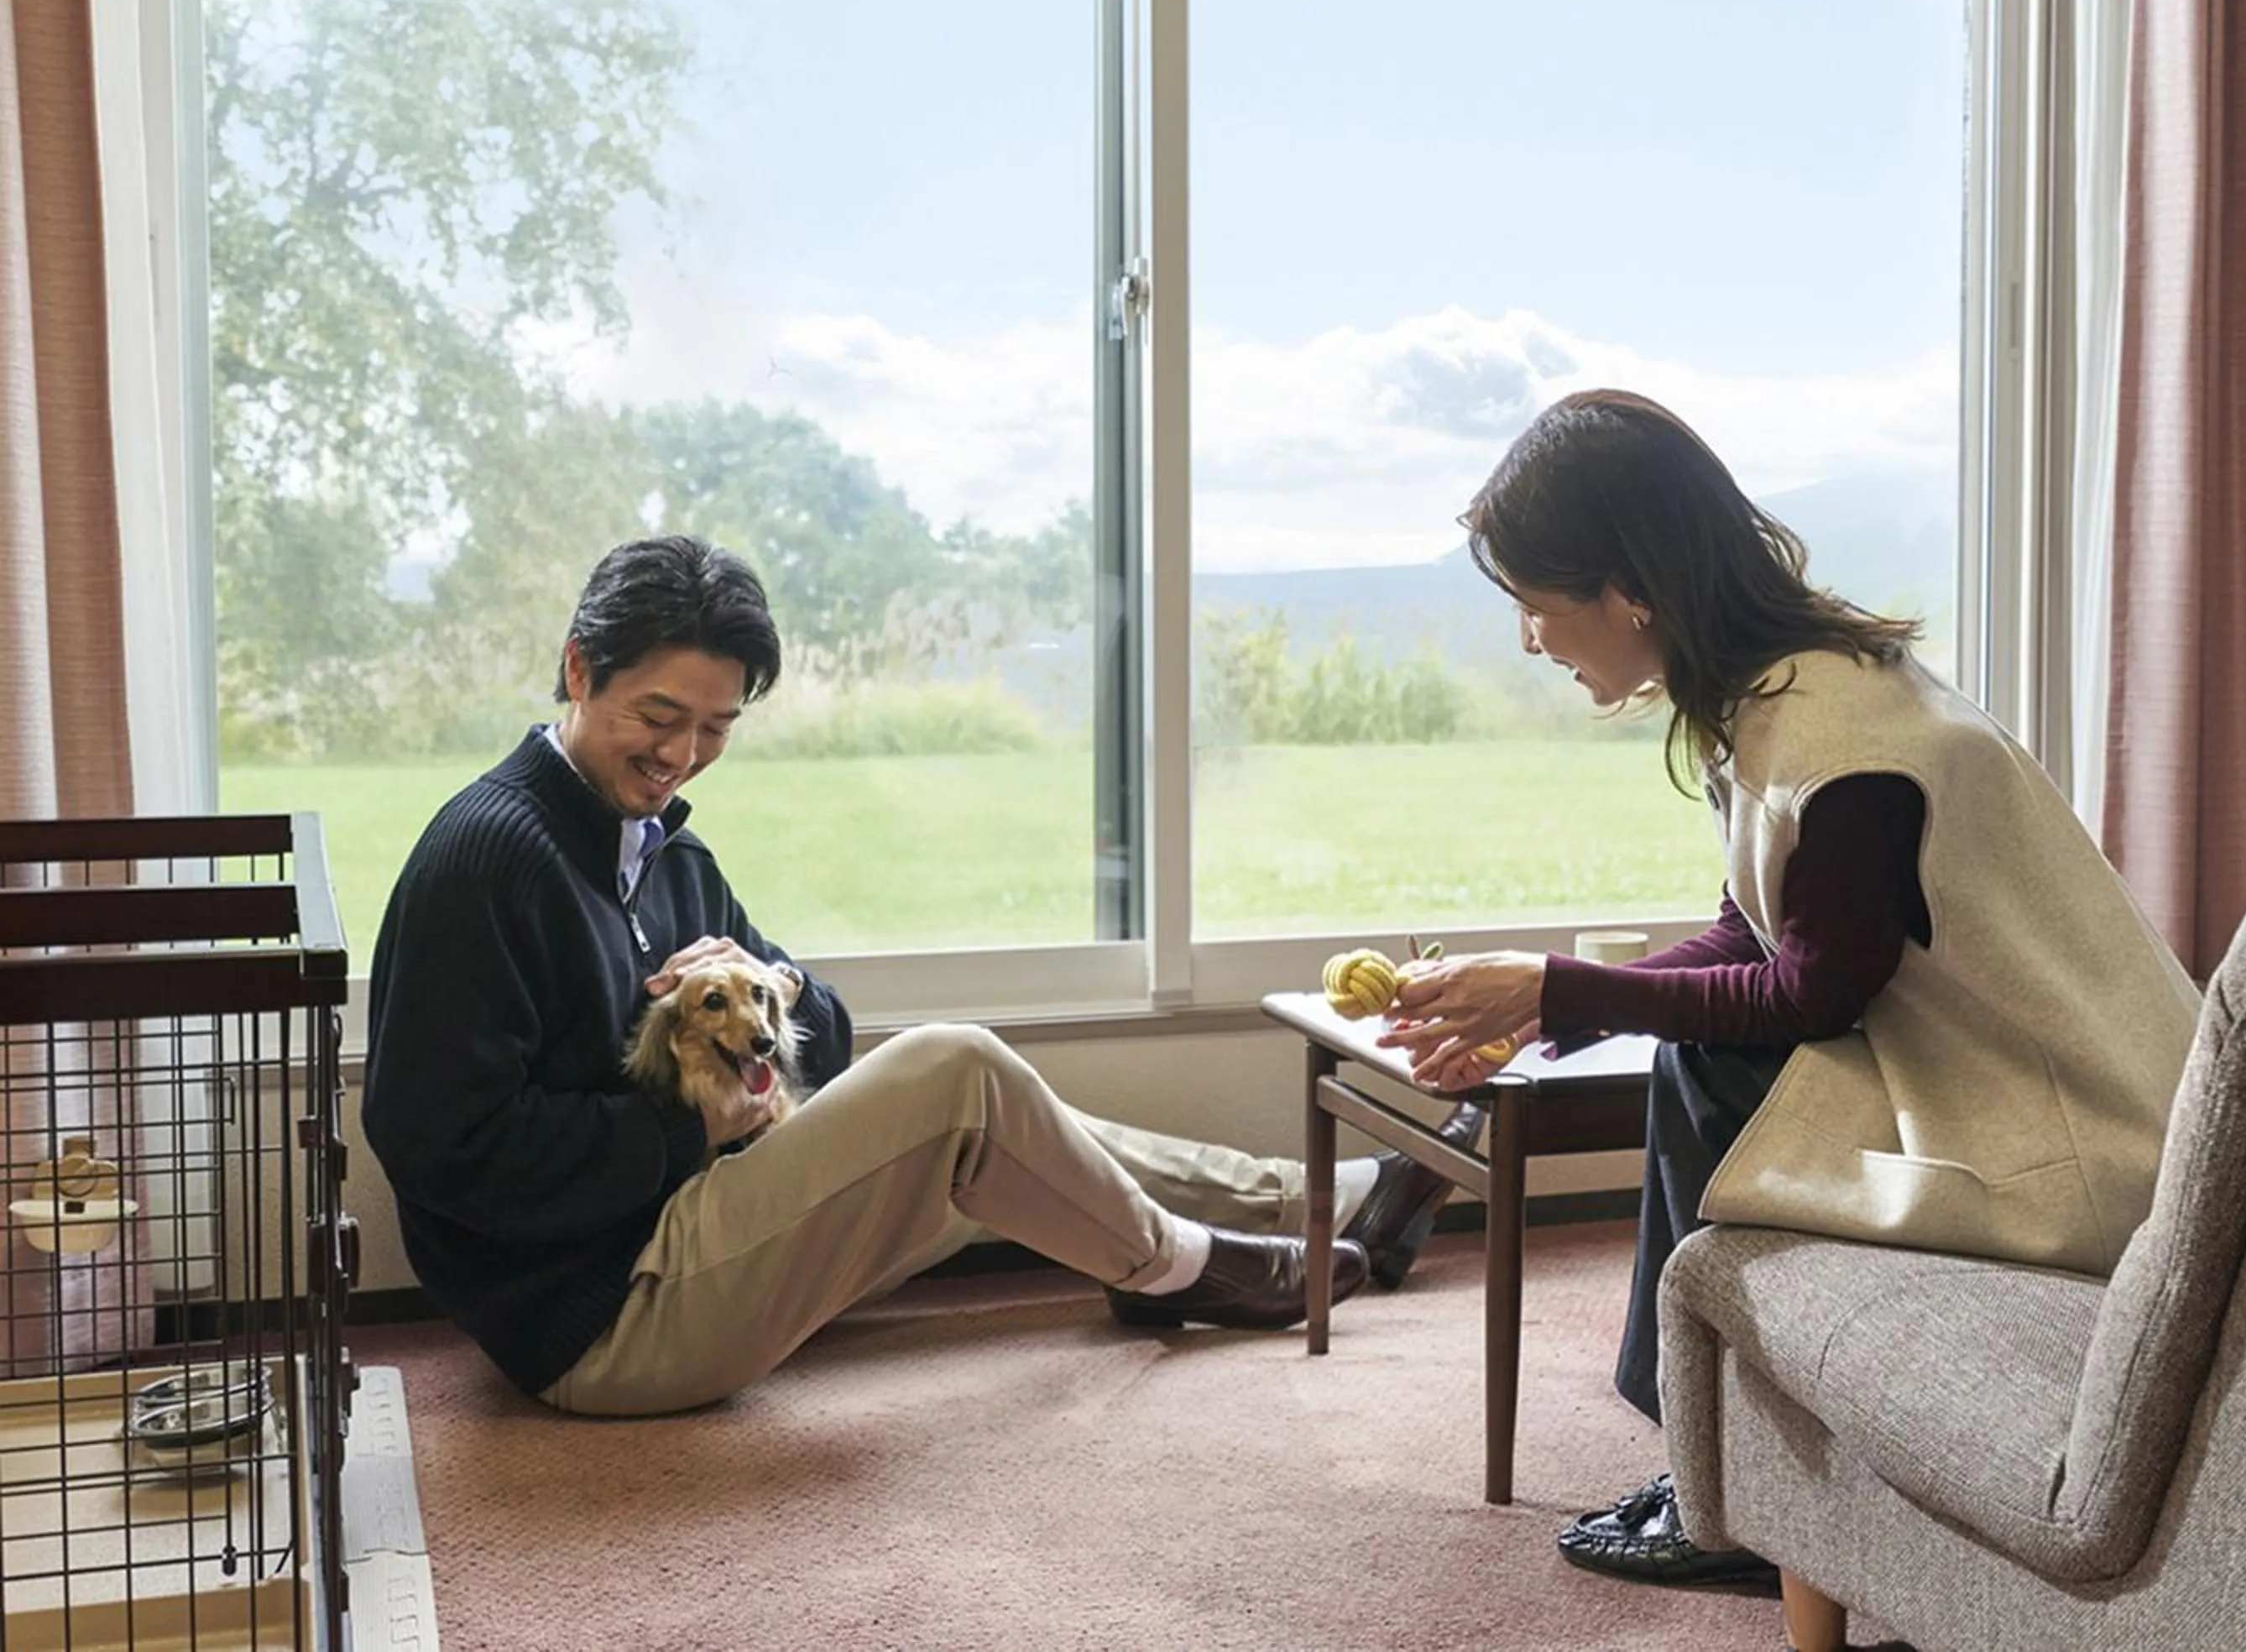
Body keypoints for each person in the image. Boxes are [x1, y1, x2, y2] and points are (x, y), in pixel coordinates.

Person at [1374, 390, 2199, 1585]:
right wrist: (1539, 1008)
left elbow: (1807, 996)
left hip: (2079, 1148)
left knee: (1713, 1064)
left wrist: (1554, 991)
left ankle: (1732, 1495)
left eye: (1538, 609)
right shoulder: (1780, 696)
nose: (1532, 640)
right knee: (1698, 1054)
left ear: (1628, 590)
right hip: (1979, 1087)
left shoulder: (1841, 742)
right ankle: (1721, 1469)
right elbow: (1749, 934)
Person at [362, 535, 1479, 1417]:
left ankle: (1334, 1201)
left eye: (715, 727)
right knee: (956, 1072)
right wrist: (692, 1123)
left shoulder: (667, 851)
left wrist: (774, 988)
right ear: (577, 669)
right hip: (600, 1319)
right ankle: (1178, 1269)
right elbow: (440, 1146)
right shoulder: (489, 857)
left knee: (988, 1113)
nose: (682, 755)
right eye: (658, 717)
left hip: (695, 1228)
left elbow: (827, 1038)